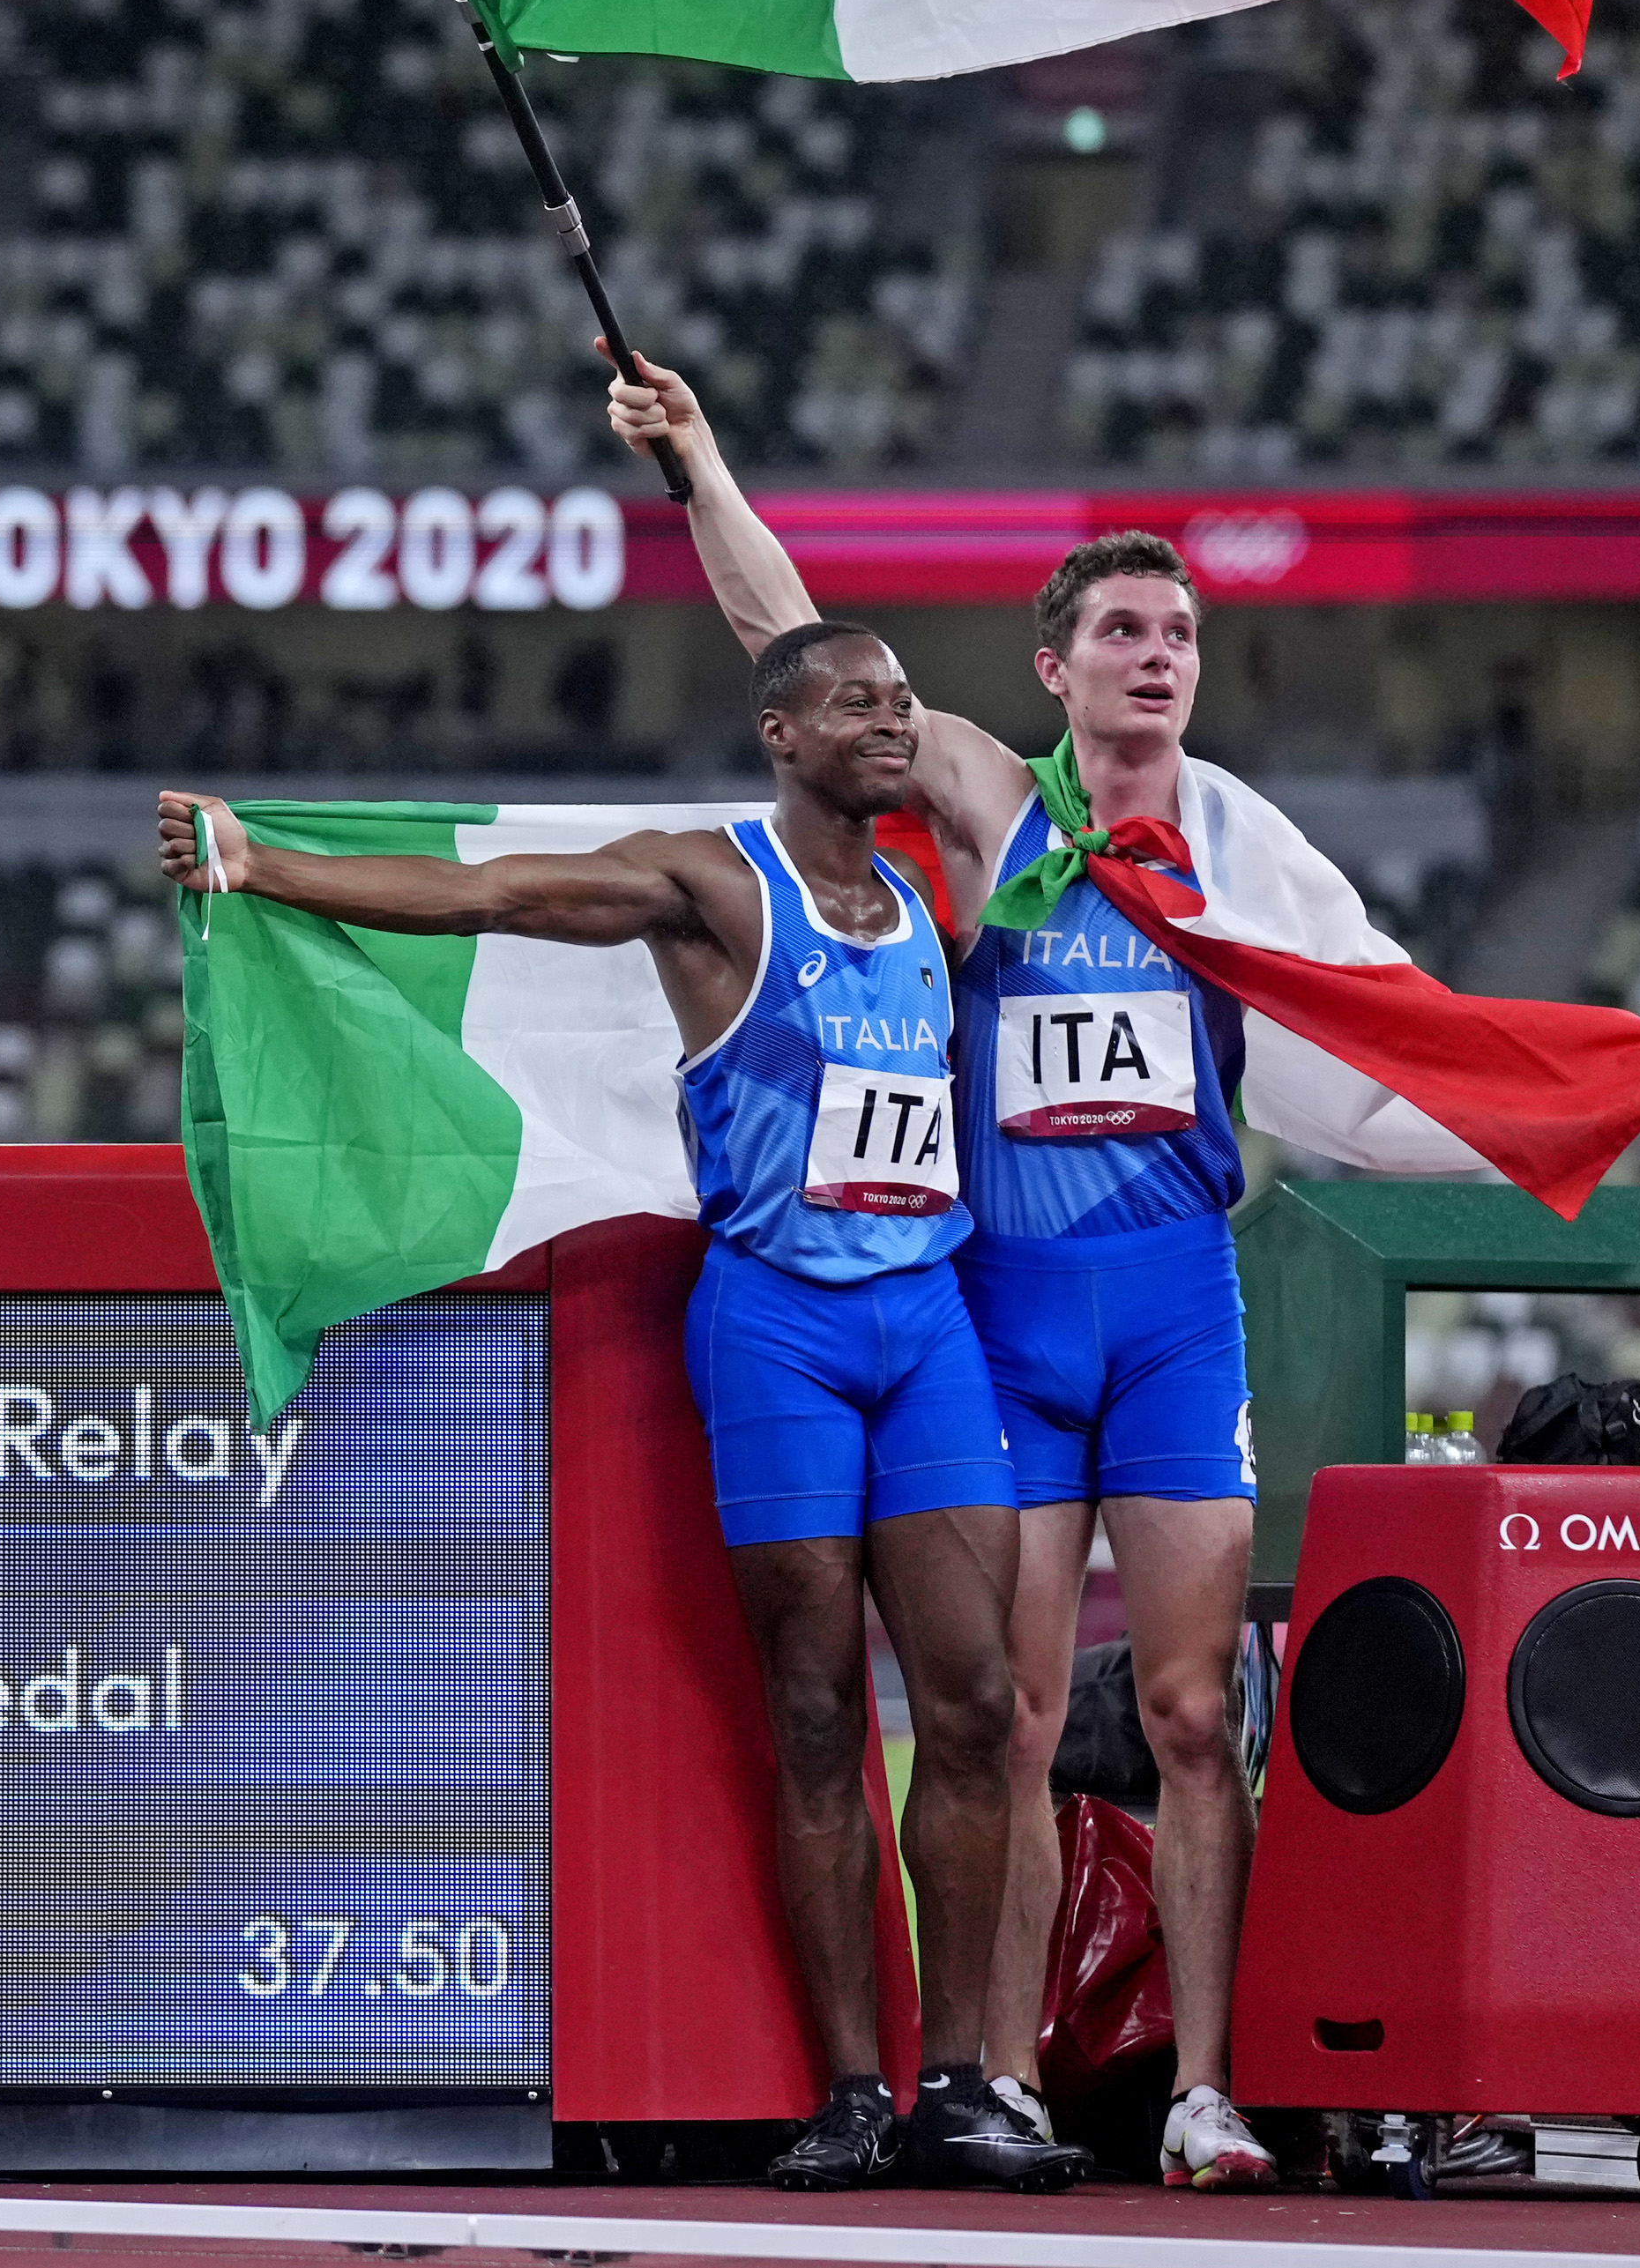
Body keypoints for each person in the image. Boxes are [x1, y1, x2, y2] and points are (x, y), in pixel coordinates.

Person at [603, 354, 1640, 2190]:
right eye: (1123, 627)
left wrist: (1617, 1087)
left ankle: (1211, 2082)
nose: (1157, 653)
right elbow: (791, 632)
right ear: (1052, 666)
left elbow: (1394, 1038)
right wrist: (702, 460)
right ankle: (1006, 2073)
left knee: (1199, 1709)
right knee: (1019, 1716)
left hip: (1168, 1306)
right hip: (1005, 1315)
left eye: (1181, 631)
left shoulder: (1246, 847)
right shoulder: (980, 799)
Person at [160, 623, 1087, 2193]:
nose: (894, 719)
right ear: (782, 734)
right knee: (810, 1714)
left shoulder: (930, 904)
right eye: (856, 701)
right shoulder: (711, 883)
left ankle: (962, 2084)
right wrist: (264, 864)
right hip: (778, 1325)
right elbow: (492, 898)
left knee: (981, 1705)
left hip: (924, 1323)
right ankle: (852, 2092)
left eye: (903, 700)